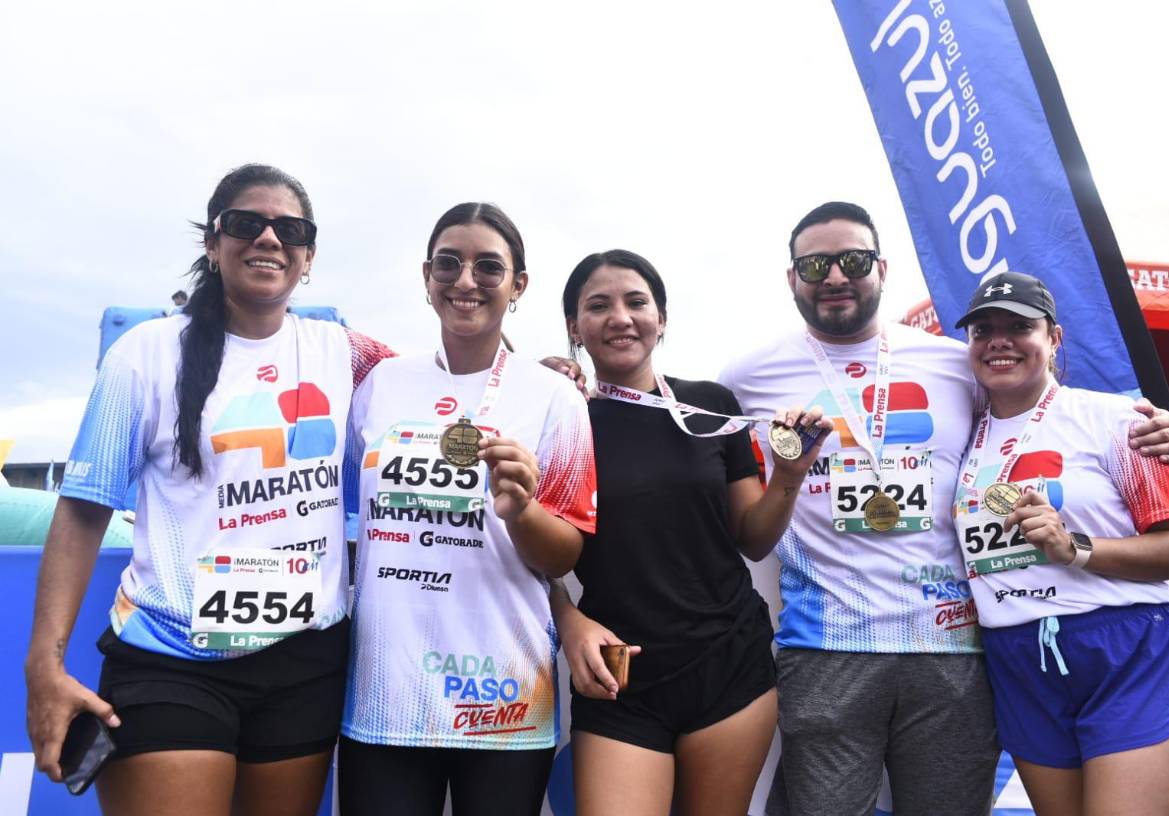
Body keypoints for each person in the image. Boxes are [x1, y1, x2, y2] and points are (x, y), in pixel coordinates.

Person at [718, 201, 1169, 816]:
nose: (834, 276)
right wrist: (568, 377)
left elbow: (1038, 413)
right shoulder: (744, 378)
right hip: (828, 647)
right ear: (792, 279)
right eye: (815, 264)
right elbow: (673, 417)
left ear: (881, 270)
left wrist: (1156, 430)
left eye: (853, 260)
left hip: (954, 651)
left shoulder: (954, 364)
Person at [24, 163, 392, 816]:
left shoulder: (348, 354)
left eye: (291, 229)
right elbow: (82, 513)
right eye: (247, 224)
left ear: (308, 258)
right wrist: (44, 668)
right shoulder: (144, 353)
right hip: (169, 659)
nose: (269, 239)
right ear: (213, 243)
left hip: (304, 663)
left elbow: (443, 399)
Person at [548, 249, 832, 816]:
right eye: (598, 306)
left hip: (728, 664)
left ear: (662, 318)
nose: (620, 317)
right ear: (574, 328)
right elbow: (525, 548)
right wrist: (568, 618)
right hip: (619, 675)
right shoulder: (560, 417)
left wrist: (790, 475)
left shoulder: (711, 406)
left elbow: (751, 537)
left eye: (636, 302)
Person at [338, 203, 598, 816]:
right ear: (427, 277)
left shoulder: (556, 398)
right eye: (449, 263)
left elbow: (567, 549)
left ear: (518, 285)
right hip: (386, 693)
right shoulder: (381, 383)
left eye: (488, 266)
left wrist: (522, 511)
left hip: (504, 692)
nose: (465, 280)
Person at [951, 271, 1169, 816]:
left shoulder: (1116, 420)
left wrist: (1076, 547)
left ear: (1054, 339)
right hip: (1016, 655)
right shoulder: (958, 434)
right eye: (983, 330)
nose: (999, 340)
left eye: (1019, 326)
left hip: (1123, 644)